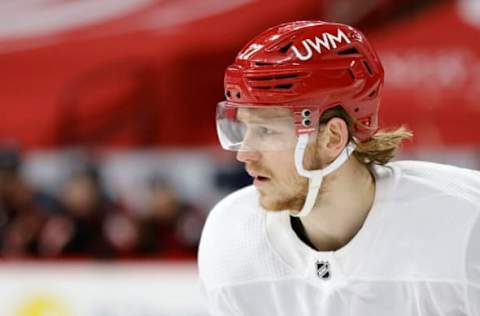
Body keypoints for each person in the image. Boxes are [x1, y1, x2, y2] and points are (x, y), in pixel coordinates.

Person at [198, 21, 480, 315]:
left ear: (332, 137)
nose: (244, 153)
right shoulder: (231, 237)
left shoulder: (467, 222)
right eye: (243, 128)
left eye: (267, 131)